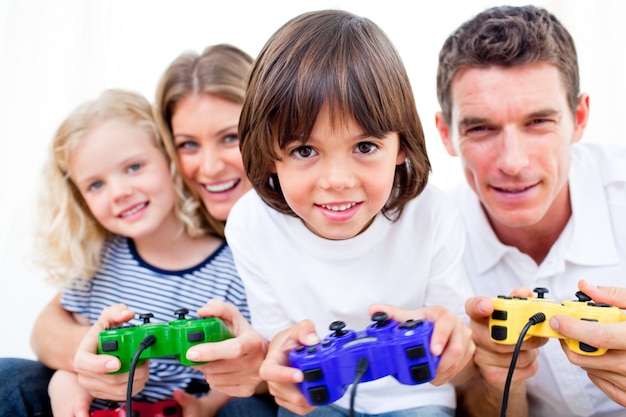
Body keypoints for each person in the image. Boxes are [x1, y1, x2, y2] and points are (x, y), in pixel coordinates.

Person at [226, 10, 475, 417]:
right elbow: (278, 345)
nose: (338, 180)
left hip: (416, 399)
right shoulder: (251, 223)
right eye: (305, 151)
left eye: (364, 147)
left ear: (402, 147)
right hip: (320, 398)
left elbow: (454, 344)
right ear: (269, 155)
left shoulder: (433, 213)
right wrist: (279, 363)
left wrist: (451, 339)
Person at [14, 44, 277, 417]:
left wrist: (210, 402)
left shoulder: (238, 260)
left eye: (230, 137)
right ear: (173, 152)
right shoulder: (104, 258)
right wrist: (78, 371)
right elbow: (50, 327)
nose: (209, 166)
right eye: (188, 144)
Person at [433, 5, 626, 417]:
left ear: (579, 117)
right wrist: (499, 382)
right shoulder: (429, 246)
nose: (513, 162)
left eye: (538, 121)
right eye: (480, 128)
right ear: (446, 134)